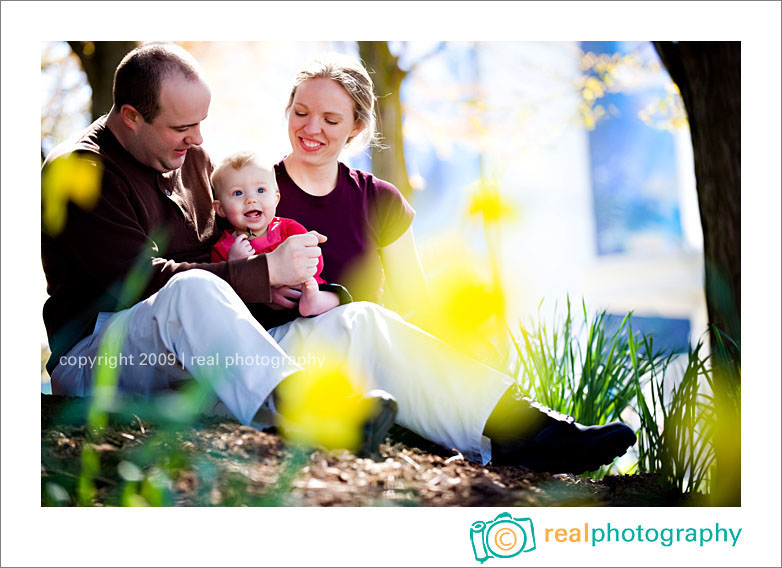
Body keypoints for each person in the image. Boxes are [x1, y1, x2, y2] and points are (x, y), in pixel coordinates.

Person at [41, 42, 635, 474]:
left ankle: (523, 429)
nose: (198, 140)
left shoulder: (190, 158)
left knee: (361, 321)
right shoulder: (79, 173)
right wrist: (257, 275)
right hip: (108, 357)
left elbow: (212, 262)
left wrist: (282, 290)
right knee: (191, 293)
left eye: (201, 124)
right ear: (130, 118)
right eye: (181, 127)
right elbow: (142, 287)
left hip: (204, 359)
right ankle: (312, 414)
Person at [210, 152, 339, 317]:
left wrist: (309, 250)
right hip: (264, 311)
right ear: (220, 209)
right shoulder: (224, 248)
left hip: (303, 291)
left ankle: (313, 302)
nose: (251, 199)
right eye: (238, 193)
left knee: (335, 293)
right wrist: (236, 265)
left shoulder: (288, 229)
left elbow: (316, 264)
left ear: (276, 199)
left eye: (261, 190)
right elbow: (222, 290)